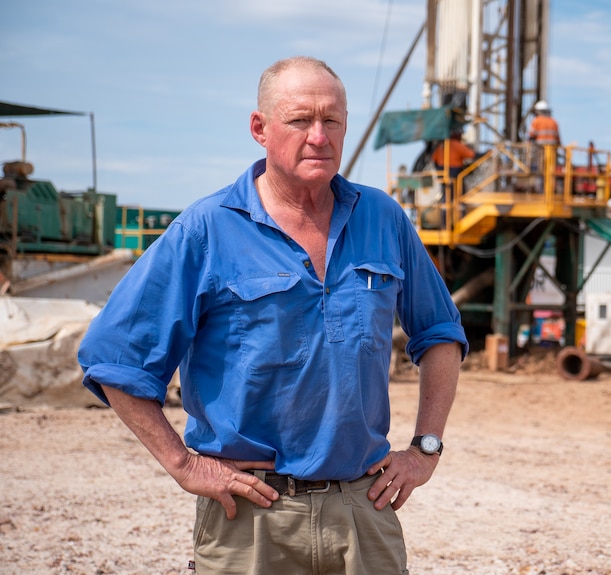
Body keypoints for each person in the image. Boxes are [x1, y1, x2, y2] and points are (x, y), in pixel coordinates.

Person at [78, 56, 468, 575]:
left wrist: (425, 448)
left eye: (332, 120)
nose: (318, 136)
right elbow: (114, 358)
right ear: (260, 129)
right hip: (251, 516)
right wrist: (183, 464)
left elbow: (440, 332)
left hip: (363, 512)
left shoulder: (383, 218)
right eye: (300, 120)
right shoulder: (208, 229)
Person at [527, 100, 561, 192]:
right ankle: (551, 189)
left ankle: (540, 190)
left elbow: (531, 135)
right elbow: (558, 139)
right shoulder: (554, 122)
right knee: (551, 170)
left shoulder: (536, 121)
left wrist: (528, 149)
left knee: (540, 170)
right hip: (552, 150)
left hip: (540, 150)